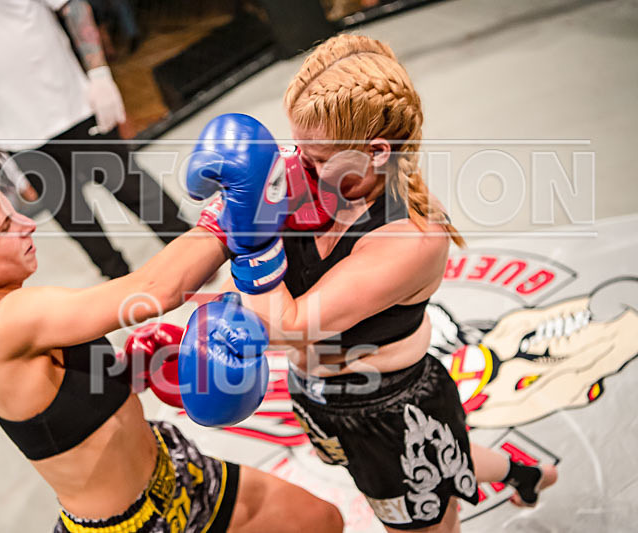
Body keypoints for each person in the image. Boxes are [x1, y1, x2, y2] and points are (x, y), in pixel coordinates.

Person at [184, 36, 558, 532]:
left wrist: (251, 238)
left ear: (376, 152)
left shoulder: (413, 237)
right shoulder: (311, 178)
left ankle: (523, 473)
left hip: (395, 415)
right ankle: (522, 471)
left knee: (427, 503)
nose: (299, 164)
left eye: (316, 156)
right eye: (297, 146)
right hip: (317, 396)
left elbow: (292, 326)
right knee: (455, 456)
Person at [0, 145, 343, 533]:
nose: (28, 224)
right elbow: (155, 291)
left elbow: (65, 411)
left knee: (319, 520)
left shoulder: (16, 308)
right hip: (130, 527)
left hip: (174, 472)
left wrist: (130, 372)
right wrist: (235, 208)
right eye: (6, 228)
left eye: (15, 210)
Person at [0, 0, 190, 279]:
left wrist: (99, 73)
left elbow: (72, 6)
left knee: (132, 187)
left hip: (72, 106)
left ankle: (194, 254)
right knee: (76, 222)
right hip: (16, 133)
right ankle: (120, 294)